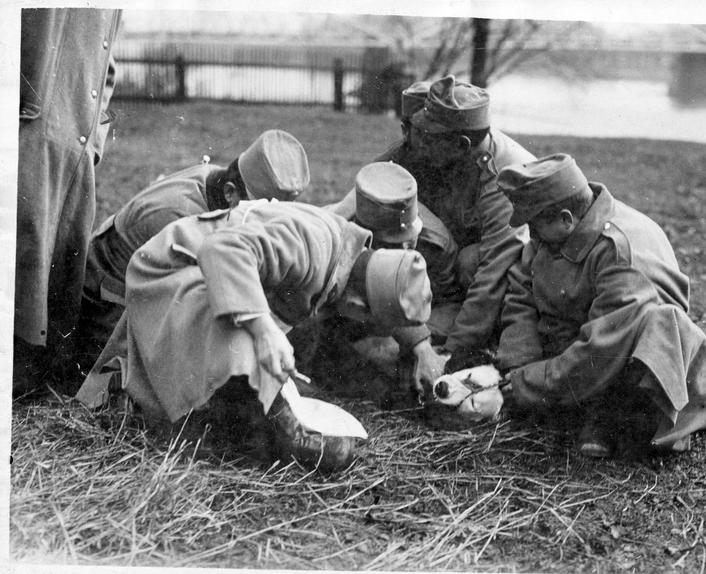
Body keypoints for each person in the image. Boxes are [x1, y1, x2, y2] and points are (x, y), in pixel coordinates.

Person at [76, 199, 432, 472]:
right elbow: (222, 250)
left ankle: (200, 409)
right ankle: (255, 425)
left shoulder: (340, 253)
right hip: (171, 269)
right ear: (358, 305)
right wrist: (263, 331)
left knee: (259, 348)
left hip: (199, 273)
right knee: (245, 335)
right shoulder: (316, 245)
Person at [494, 153, 706, 458]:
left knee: (626, 386)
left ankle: (609, 417)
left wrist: (528, 384)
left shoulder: (618, 253)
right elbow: (522, 289)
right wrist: (518, 365)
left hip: (635, 357)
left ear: (565, 218)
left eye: (534, 225)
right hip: (591, 338)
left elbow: (601, 351)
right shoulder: (563, 226)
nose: (531, 235)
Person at [330, 75, 536, 390]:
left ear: (462, 145)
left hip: (514, 281)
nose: (416, 142)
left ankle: (488, 341)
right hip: (453, 276)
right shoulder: (426, 150)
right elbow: (354, 206)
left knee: (473, 263)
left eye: (428, 136)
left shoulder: (505, 175)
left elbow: (495, 272)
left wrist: (453, 353)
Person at [74, 129, 310, 377]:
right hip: (108, 308)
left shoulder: (216, 184)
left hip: (141, 293)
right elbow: (195, 310)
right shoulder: (180, 219)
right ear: (230, 192)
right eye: (258, 211)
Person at [14, 8, 122, 395]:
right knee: (24, 245)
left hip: (78, 140)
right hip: (32, 124)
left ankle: (39, 369)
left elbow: (107, 64)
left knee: (65, 257)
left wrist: (95, 140)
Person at [312, 161, 447, 400]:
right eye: (395, 244)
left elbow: (417, 293)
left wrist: (422, 348)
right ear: (364, 232)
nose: (406, 248)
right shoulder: (329, 240)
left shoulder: (434, 239)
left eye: (410, 240)